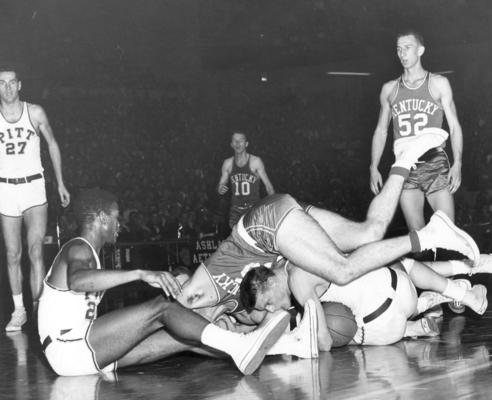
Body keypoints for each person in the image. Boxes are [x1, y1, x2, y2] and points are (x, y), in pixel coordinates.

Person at [176, 128, 479, 324]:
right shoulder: (242, 312)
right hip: (281, 221)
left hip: (264, 227)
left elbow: (174, 310)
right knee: (370, 232)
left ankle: (429, 235)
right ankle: (405, 159)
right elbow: (269, 324)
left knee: (343, 270)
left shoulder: (197, 292)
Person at [37, 188, 292, 376]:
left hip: (80, 352)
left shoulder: (89, 253)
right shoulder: (78, 249)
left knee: (181, 336)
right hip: (67, 346)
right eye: (116, 217)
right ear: (102, 218)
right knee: (163, 308)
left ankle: (274, 344)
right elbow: (79, 281)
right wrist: (140, 273)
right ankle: (240, 345)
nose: (120, 224)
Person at [239, 251, 492, 349]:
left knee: (340, 326)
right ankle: (460, 286)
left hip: (383, 328)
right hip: (401, 287)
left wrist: (290, 342)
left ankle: (415, 325)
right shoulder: (295, 253)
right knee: (403, 262)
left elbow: (326, 342)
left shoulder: (297, 281)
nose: (272, 309)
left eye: (268, 303)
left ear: (271, 281)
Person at [369, 30, 464, 238]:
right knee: (419, 239)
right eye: (398, 49)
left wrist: (458, 163)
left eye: (407, 47)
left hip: (434, 163)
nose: (402, 53)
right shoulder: (389, 89)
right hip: (404, 168)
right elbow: (381, 130)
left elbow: (454, 126)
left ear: (420, 50)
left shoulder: (438, 83)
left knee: (447, 235)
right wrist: (373, 166)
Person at [0, 68, 71, 332]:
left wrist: (60, 182)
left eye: (11, 83)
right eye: (1, 83)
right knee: (11, 254)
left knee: (35, 250)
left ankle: (40, 308)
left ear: (19, 85)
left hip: (33, 187)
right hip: (5, 189)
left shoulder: (35, 112)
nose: (7, 88)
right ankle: (19, 311)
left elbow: (52, 143)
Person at [218, 132, 275, 228]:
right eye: (235, 141)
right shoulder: (227, 163)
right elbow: (221, 184)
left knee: (254, 239)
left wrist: (274, 206)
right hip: (236, 210)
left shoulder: (255, 161)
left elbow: (268, 187)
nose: (237, 143)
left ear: (246, 144)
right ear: (231, 145)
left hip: (253, 208)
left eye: (241, 140)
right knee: (238, 239)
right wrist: (220, 188)